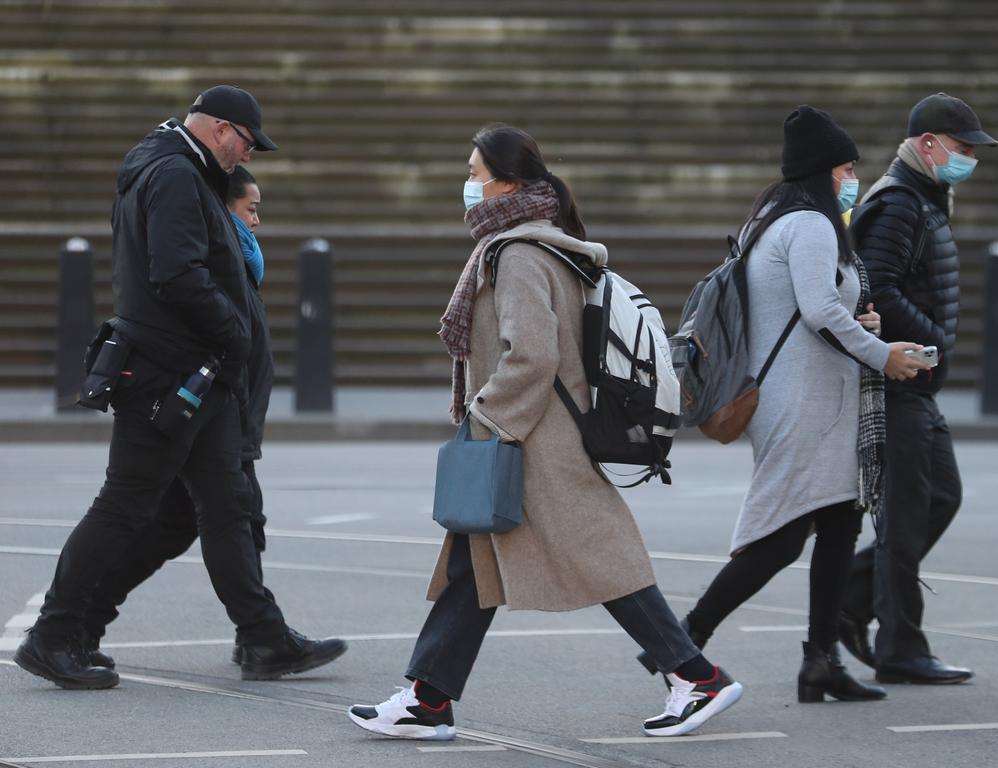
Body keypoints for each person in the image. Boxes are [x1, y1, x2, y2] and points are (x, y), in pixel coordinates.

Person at [347, 125, 743, 741]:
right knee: (477, 563)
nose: (469, 185)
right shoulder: (547, 245)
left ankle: (696, 675)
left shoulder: (519, 253)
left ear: (509, 182)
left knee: (601, 563)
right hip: (539, 435)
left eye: (476, 173)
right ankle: (428, 698)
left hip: (530, 440)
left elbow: (530, 356)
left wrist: (487, 420)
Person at [15, 86, 345, 690]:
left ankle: (264, 637)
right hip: (169, 372)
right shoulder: (173, 173)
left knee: (227, 505)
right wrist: (233, 330)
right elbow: (176, 273)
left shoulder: (174, 165)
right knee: (124, 505)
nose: (245, 156)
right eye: (245, 142)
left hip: (197, 372)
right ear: (221, 129)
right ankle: (54, 634)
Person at [639, 106, 929, 703]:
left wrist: (861, 321)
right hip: (804, 405)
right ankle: (679, 643)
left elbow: (810, 309)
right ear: (824, 170)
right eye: (847, 168)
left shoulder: (771, 220)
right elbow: (820, 312)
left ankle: (820, 661)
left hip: (815, 399)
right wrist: (882, 354)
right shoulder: (811, 226)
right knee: (782, 534)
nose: (852, 178)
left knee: (840, 523)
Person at [76, 166, 293, 675]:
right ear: (223, 210)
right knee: (219, 517)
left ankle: (259, 635)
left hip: (224, 418)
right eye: (250, 208)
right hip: (212, 414)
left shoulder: (235, 266)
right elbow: (225, 345)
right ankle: (261, 637)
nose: (257, 221)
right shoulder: (218, 267)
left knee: (178, 524)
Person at [839, 93, 998, 685]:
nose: (968, 160)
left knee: (940, 499)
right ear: (928, 145)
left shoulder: (926, 198)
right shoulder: (901, 202)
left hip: (920, 381)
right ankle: (901, 648)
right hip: (899, 378)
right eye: (961, 149)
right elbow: (875, 284)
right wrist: (932, 340)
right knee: (904, 521)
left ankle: (851, 602)